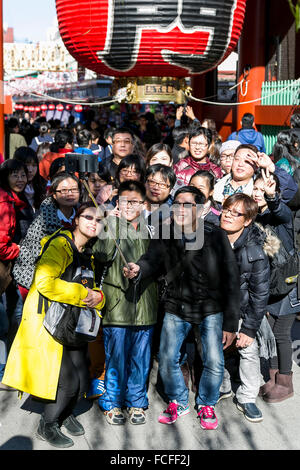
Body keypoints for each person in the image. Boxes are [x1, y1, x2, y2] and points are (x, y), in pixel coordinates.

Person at [124, 186, 240, 430]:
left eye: (187, 205)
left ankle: (207, 403)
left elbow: (231, 279)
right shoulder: (166, 233)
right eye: (177, 203)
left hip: (210, 309)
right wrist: (139, 269)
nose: (180, 209)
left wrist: (230, 323)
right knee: (167, 358)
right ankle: (178, 399)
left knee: (214, 360)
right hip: (176, 307)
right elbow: (152, 260)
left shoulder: (216, 235)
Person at [2, 203, 105, 448]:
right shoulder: (60, 244)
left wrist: (99, 297)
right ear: (77, 220)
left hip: (73, 325)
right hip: (50, 323)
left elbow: (94, 288)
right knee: (68, 383)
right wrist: (83, 293)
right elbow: (44, 282)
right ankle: (47, 424)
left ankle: (64, 413)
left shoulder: (87, 251)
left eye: (99, 220)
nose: (93, 222)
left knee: (81, 378)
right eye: (88, 217)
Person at [93, 181, 158, 425]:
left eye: (135, 202)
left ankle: (137, 401)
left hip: (145, 302)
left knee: (140, 357)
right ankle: (112, 401)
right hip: (118, 301)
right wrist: (112, 223)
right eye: (124, 201)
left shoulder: (153, 227)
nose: (129, 206)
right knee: (116, 356)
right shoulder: (110, 223)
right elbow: (101, 255)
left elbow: (159, 260)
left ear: (144, 204)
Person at [220, 193, 270, 423]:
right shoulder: (211, 237)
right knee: (211, 345)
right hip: (215, 308)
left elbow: (259, 294)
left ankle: (247, 397)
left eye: (235, 213)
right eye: (226, 209)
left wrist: (249, 329)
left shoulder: (255, 252)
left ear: (247, 220)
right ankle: (222, 385)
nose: (228, 215)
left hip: (242, 310)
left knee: (248, 349)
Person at [252, 170, 298, 402]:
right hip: (268, 284)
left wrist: (272, 197)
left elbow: (280, 209)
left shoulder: (281, 215)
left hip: (288, 285)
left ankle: (285, 381)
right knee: (269, 331)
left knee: (281, 333)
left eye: (264, 189)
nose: (258, 193)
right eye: (256, 189)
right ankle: (272, 376)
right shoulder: (253, 217)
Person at [12, 172, 81, 301]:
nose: (69, 193)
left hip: (66, 282)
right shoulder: (43, 220)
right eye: (64, 190)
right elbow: (35, 255)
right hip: (33, 280)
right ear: (54, 195)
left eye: (73, 189)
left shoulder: (83, 216)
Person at [0, 159, 29, 389]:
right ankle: (6, 371)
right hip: (6, 269)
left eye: (22, 174)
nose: (20, 179)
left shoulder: (14, 199)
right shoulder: (5, 202)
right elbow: (1, 244)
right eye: (15, 175)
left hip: (9, 269)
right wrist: (19, 250)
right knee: (10, 319)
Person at [213, 144, 298, 205]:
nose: (240, 164)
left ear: (256, 166)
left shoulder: (262, 190)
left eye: (247, 161)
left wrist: (270, 166)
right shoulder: (214, 183)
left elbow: (290, 190)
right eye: (237, 159)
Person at [13, 146, 46, 212]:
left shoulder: (42, 185)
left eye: (34, 165)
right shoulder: (9, 189)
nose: (30, 170)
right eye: (27, 165)